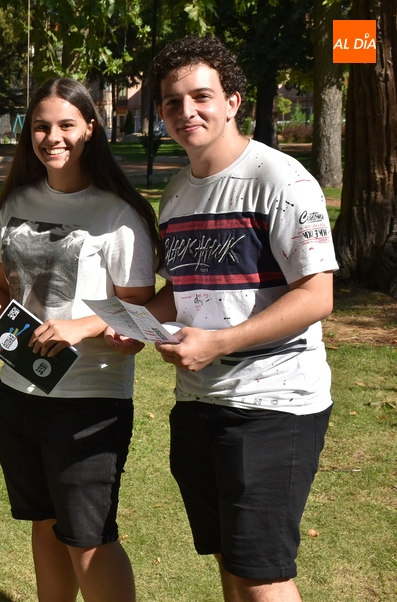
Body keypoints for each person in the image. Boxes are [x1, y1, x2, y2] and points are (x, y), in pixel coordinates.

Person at [124, 35, 337, 601]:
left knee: (263, 573)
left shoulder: (282, 179)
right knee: (231, 562)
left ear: (233, 101)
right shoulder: (176, 193)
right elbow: (185, 288)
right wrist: (127, 322)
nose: (186, 111)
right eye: (172, 101)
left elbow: (317, 296)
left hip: (272, 402)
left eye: (201, 96)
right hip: (198, 402)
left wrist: (219, 343)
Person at [0, 78, 162, 602]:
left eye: (67, 125)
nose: (53, 137)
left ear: (91, 130)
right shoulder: (15, 202)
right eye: (41, 126)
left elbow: (141, 315)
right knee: (45, 523)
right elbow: (1, 287)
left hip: (89, 401)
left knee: (89, 540)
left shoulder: (120, 215)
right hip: (17, 393)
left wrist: (85, 324)